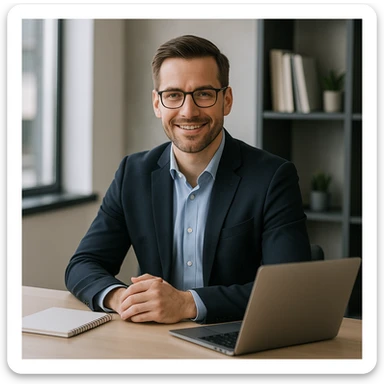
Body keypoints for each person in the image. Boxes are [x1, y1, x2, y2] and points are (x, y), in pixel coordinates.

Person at [64, 34, 311, 325]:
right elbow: (82, 265)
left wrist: (186, 304)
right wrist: (122, 298)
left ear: (226, 100)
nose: (188, 111)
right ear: (157, 103)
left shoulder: (272, 177)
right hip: (156, 340)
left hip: (239, 337)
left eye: (204, 94)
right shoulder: (133, 173)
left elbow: (288, 290)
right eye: (173, 95)